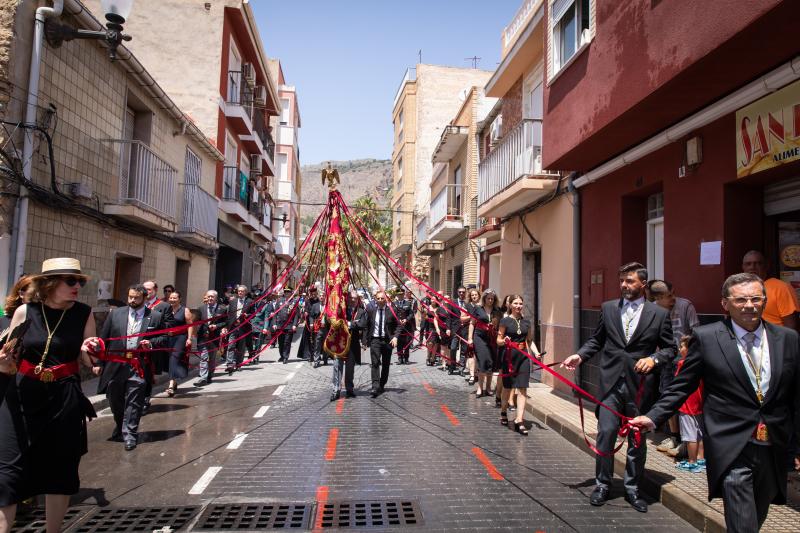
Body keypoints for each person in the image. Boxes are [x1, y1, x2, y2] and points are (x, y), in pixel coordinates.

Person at [630, 272, 800, 532]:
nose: (750, 305)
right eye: (741, 300)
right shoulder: (707, 337)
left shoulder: (787, 339)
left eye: (756, 298)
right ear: (725, 304)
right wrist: (653, 416)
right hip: (730, 443)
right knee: (743, 521)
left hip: (772, 443)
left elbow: (794, 396)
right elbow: (682, 385)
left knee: (758, 509)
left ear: (765, 301)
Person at [561, 262, 675, 513]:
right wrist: (579, 356)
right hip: (610, 383)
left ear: (643, 284)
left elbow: (670, 349)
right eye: (622, 280)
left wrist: (653, 359)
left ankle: (633, 488)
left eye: (630, 281)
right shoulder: (609, 308)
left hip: (640, 386)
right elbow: (598, 339)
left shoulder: (659, 315)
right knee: (607, 432)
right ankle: (602, 484)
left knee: (637, 438)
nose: (624, 285)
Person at [0, 258, 100, 533]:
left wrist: (93, 353)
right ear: (50, 284)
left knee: (61, 469)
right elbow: (8, 363)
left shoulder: (83, 313)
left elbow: (86, 354)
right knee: (8, 471)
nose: (77, 286)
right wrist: (3, 360)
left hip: (63, 397)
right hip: (21, 396)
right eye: (71, 281)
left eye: (79, 281)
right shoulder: (25, 312)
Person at [96, 284, 168, 451]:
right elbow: (103, 340)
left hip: (139, 366)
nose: (132, 300)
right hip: (116, 365)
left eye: (136, 297)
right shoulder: (116, 314)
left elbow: (164, 338)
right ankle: (120, 425)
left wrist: (150, 343)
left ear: (144, 298)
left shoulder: (155, 317)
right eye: (130, 297)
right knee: (115, 399)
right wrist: (99, 364)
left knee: (134, 401)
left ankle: (130, 434)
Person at [648, 279, 701, 456]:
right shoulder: (653, 310)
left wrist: (689, 351)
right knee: (667, 396)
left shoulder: (685, 306)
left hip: (685, 361)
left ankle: (689, 441)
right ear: (658, 298)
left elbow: (696, 331)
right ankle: (675, 437)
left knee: (686, 400)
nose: (673, 299)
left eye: (673, 294)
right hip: (665, 361)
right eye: (668, 296)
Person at [496, 294, 541, 436]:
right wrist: (504, 341)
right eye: (515, 303)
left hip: (522, 358)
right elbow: (498, 340)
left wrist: (536, 353)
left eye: (520, 303)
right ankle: (503, 411)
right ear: (510, 305)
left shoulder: (527, 323)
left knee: (522, 389)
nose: (518, 306)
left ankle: (519, 419)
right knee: (508, 388)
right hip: (508, 358)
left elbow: (529, 341)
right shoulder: (505, 321)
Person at [742, 250, 799, 330]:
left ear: (766, 266)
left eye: (758, 263)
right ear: (743, 267)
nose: (752, 267)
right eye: (748, 264)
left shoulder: (781, 288)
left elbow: (791, 325)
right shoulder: (740, 289)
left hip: (774, 340)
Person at [672, 335, 705, 473]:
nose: (680, 349)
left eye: (682, 346)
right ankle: (701, 459)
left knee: (690, 434)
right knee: (700, 433)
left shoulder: (683, 364)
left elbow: (678, 383)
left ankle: (692, 462)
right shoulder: (702, 363)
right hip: (699, 403)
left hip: (687, 403)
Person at [142, 280, 174, 412]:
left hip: (152, 345)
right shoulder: (139, 303)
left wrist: (154, 323)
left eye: (149, 289)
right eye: (144, 289)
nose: (146, 292)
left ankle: (145, 400)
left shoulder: (163, 306)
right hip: (136, 345)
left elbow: (169, 325)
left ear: (155, 290)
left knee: (147, 374)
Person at [361, 290, 398, 397]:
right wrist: (364, 340)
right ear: (375, 299)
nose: (380, 300)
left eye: (382, 298)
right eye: (378, 298)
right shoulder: (371, 310)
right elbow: (366, 326)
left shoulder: (392, 310)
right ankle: (375, 386)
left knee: (386, 364)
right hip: (375, 340)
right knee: (375, 363)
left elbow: (399, 325)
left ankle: (382, 384)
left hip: (387, 341)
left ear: (386, 299)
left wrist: (395, 337)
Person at [468, 289, 499, 397]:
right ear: (484, 298)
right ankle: (480, 388)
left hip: (492, 338)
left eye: (492, 299)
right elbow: (472, 323)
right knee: (482, 362)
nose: (490, 300)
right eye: (488, 298)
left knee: (490, 363)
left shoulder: (496, 310)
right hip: (479, 337)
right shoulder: (478, 308)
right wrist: (470, 338)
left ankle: (489, 387)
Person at [194, 290, 226, 387]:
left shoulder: (222, 309)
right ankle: (202, 378)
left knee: (212, 358)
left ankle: (209, 375)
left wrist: (217, 326)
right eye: (208, 297)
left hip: (214, 337)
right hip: (202, 337)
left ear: (216, 298)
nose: (210, 298)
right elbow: (197, 323)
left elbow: (226, 322)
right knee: (204, 357)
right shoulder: (200, 308)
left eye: (212, 297)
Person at [165, 290, 193, 397]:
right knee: (169, 360)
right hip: (167, 338)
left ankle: (171, 384)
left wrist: (189, 338)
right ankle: (175, 380)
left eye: (174, 298)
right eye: (171, 298)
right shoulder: (166, 309)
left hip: (180, 338)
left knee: (174, 358)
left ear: (179, 299)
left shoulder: (185, 310)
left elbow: (190, 325)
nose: (172, 300)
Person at [222, 285, 253, 374]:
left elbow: (253, 313)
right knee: (231, 345)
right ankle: (230, 363)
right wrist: (227, 326)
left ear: (245, 292)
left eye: (242, 291)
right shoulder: (232, 301)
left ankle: (238, 363)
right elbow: (229, 315)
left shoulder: (250, 302)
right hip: (233, 327)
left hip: (244, 327)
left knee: (241, 346)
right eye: (239, 291)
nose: (240, 293)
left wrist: (248, 316)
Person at [342, 291, 367, 398]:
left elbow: (362, 324)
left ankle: (349, 388)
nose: (353, 300)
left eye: (355, 298)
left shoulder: (361, 311)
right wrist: (354, 323)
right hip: (341, 342)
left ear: (358, 300)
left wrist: (349, 323)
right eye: (351, 298)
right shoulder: (343, 310)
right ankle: (336, 388)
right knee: (337, 366)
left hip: (353, 344)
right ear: (348, 299)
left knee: (350, 367)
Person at [270, 287, 298, 364]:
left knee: (287, 342)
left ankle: (286, 357)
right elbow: (275, 313)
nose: (286, 293)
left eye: (288, 292)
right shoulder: (279, 301)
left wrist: (294, 325)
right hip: (280, 325)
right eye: (285, 292)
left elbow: (296, 315)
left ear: (291, 293)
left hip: (289, 325)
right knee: (281, 342)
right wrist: (274, 323)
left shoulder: (294, 302)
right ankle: (282, 355)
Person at [393, 287, 417, 365]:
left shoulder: (408, 303)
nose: (400, 296)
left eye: (402, 294)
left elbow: (411, 314)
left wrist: (406, 320)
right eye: (399, 294)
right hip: (397, 327)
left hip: (407, 326)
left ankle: (406, 358)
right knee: (399, 343)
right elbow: (392, 315)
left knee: (407, 342)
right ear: (397, 295)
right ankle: (400, 358)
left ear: (404, 294)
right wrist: (397, 320)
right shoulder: (394, 304)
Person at [449, 286, 469, 375]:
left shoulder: (468, 303)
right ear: (457, 292)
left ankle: (461, 368)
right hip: (455, 329)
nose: (461, 293)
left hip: (465, 329)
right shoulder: (453, 302)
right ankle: (452, 366)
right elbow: (449, 317)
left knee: (464, 349)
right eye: (460, 292)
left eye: (463, 292)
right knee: (453, 348)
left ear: (465, 293)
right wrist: (448, 328)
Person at [464, 288, 481, 385]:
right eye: (472, 295)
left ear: (479, 296)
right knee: (471, 354)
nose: (474, 296)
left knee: (478, 354)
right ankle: (471, 375)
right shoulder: (467, 306)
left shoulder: (483, 306)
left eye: (476, 295)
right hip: (470, 332)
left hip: (480, 333)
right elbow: (462, 318)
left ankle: (477, 373)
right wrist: (472, 317)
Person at [251, 292, 275, 361]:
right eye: (255, 297)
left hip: (260, 326)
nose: (257, 298)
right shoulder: (252, 304)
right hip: (251, 326)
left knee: (258, 343)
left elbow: (266, 317)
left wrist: (265, 328)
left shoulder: (265, 305)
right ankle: (251, 355)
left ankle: (256, 356)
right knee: (251, 343)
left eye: (258, 297)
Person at [302, 287, 322, 363]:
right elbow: (306, 310)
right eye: (312, 293)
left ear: (316, 293)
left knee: (317, 339)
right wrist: (305, 312)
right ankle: (310, 355)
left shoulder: (319, 301)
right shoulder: (308, 301)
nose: (313, 295)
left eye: (314, 293)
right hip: (309, 322)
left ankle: (317, 354)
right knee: (310, 339)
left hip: (317, 322)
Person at [425, 295, 442, 367]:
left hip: (438, 327)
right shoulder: (427, 307)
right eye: (432, 299)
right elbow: (424, 317)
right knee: (430, 343)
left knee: (436, 344)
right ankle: (428, 356)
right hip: (429, 327)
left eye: (434, 299)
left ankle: (433, 358)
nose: (433, 301)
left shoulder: (439, 308)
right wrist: (428, 319)